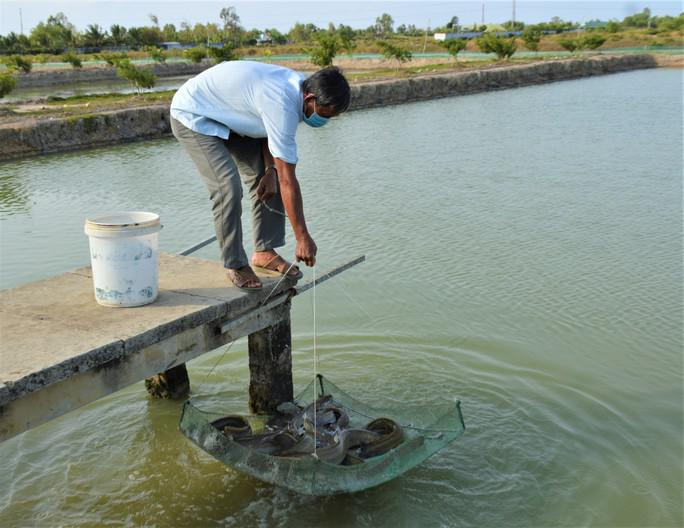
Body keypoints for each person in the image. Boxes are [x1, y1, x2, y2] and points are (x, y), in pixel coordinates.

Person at [170, 61, 351, 290]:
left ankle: (264, 250)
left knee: (269, 178)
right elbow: (289, 179)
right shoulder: (282, 101)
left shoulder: (297, 89)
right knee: (227, 187)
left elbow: (269, 131)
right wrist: (302, 237)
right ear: (310, 99)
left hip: (230, 116)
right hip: (193, 115)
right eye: (325, 114)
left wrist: (269, 170)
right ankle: (234, 264)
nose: (325, 120)